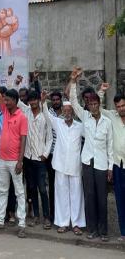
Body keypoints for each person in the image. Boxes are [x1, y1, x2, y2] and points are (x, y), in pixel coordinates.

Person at [69, 66, 113, 241]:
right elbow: (73, 101)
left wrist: (110, 167)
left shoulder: (107, 122)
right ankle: (92, 229)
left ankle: (103, 232)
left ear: (99, 105)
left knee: (102, 198)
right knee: (89, 196)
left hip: (102, 164)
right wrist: (73, 81)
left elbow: (110, 146)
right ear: (87, 105)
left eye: (96, 104)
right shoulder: (85, 117)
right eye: (91, 104)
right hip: (87, 163)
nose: (93, 106)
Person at [0, 66, 28, 238]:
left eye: (9, 100)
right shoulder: (4, 110)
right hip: (2, 160)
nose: (5, 102)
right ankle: (0, 221)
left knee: (19, 192)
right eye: (5, 100)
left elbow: (23, 139)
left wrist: (20, 161)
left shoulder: (22, 117)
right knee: (3, 190)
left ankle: (22, 224)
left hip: (14, 161)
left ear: (15, 101)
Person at [41, 94, 85, 235]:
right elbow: (47, 114)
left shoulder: (80, 126)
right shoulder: (57, 123)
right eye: (65, 111)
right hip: (60, 165)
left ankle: (76, 224)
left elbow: (90, 133)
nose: (67, 113)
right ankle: (63, 223)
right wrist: (43, 101)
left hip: (75, 166)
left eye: (69, 110)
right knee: (61, 195)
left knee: (76, 195)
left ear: (72, 112)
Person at [18, 90, 52, 229]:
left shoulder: (45, 115)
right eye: (30, 100)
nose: (32, 102)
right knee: (31, 188)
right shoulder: (26, 112)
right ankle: (36, 216)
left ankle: (47, 217)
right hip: (28, 157)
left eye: (34, 100)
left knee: (42, 189)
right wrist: (12, 79)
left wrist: (45, 153)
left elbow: (49, 137)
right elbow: (17, 100)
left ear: (38, 100)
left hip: (40, 158)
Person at [97, 84, 125, 241]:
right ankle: (123, 233)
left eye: (123, 105)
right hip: (118, 166)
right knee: (120, 201)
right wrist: (101, 91)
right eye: (118, 106)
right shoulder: (112, 116)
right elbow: (98, 108)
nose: (121, 108)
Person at [46, 90, 63, 222]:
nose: (56, 101)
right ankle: (53, 214)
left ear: (61, 100)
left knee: (63, 185)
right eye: (54, 100)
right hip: (51, 155)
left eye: (58, 99)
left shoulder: (67, 112)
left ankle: (63, 214)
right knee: (52, 185)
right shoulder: (49, 112)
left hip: (64, 155)